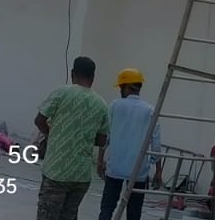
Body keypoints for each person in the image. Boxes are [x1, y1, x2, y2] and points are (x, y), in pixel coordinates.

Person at [33, 56, 110, 220]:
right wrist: (83, 137)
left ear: (72, 73)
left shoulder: (61, 93)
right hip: (81, 176)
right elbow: (102, 140)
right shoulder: (101, 104)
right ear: (93, 78)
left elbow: (39, 120)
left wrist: (54, 134)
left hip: (56, 171)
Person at [98, 68, 163, 220]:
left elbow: (106, 135)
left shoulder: (115, 106)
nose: (120, 90)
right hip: (138, 170)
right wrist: (158, 170)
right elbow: (156, 143)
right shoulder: (150, 110)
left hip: (115, 168)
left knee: (107, 208)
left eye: (121, 87)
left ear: (126, 86)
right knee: (134, 212)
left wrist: (100, 160)